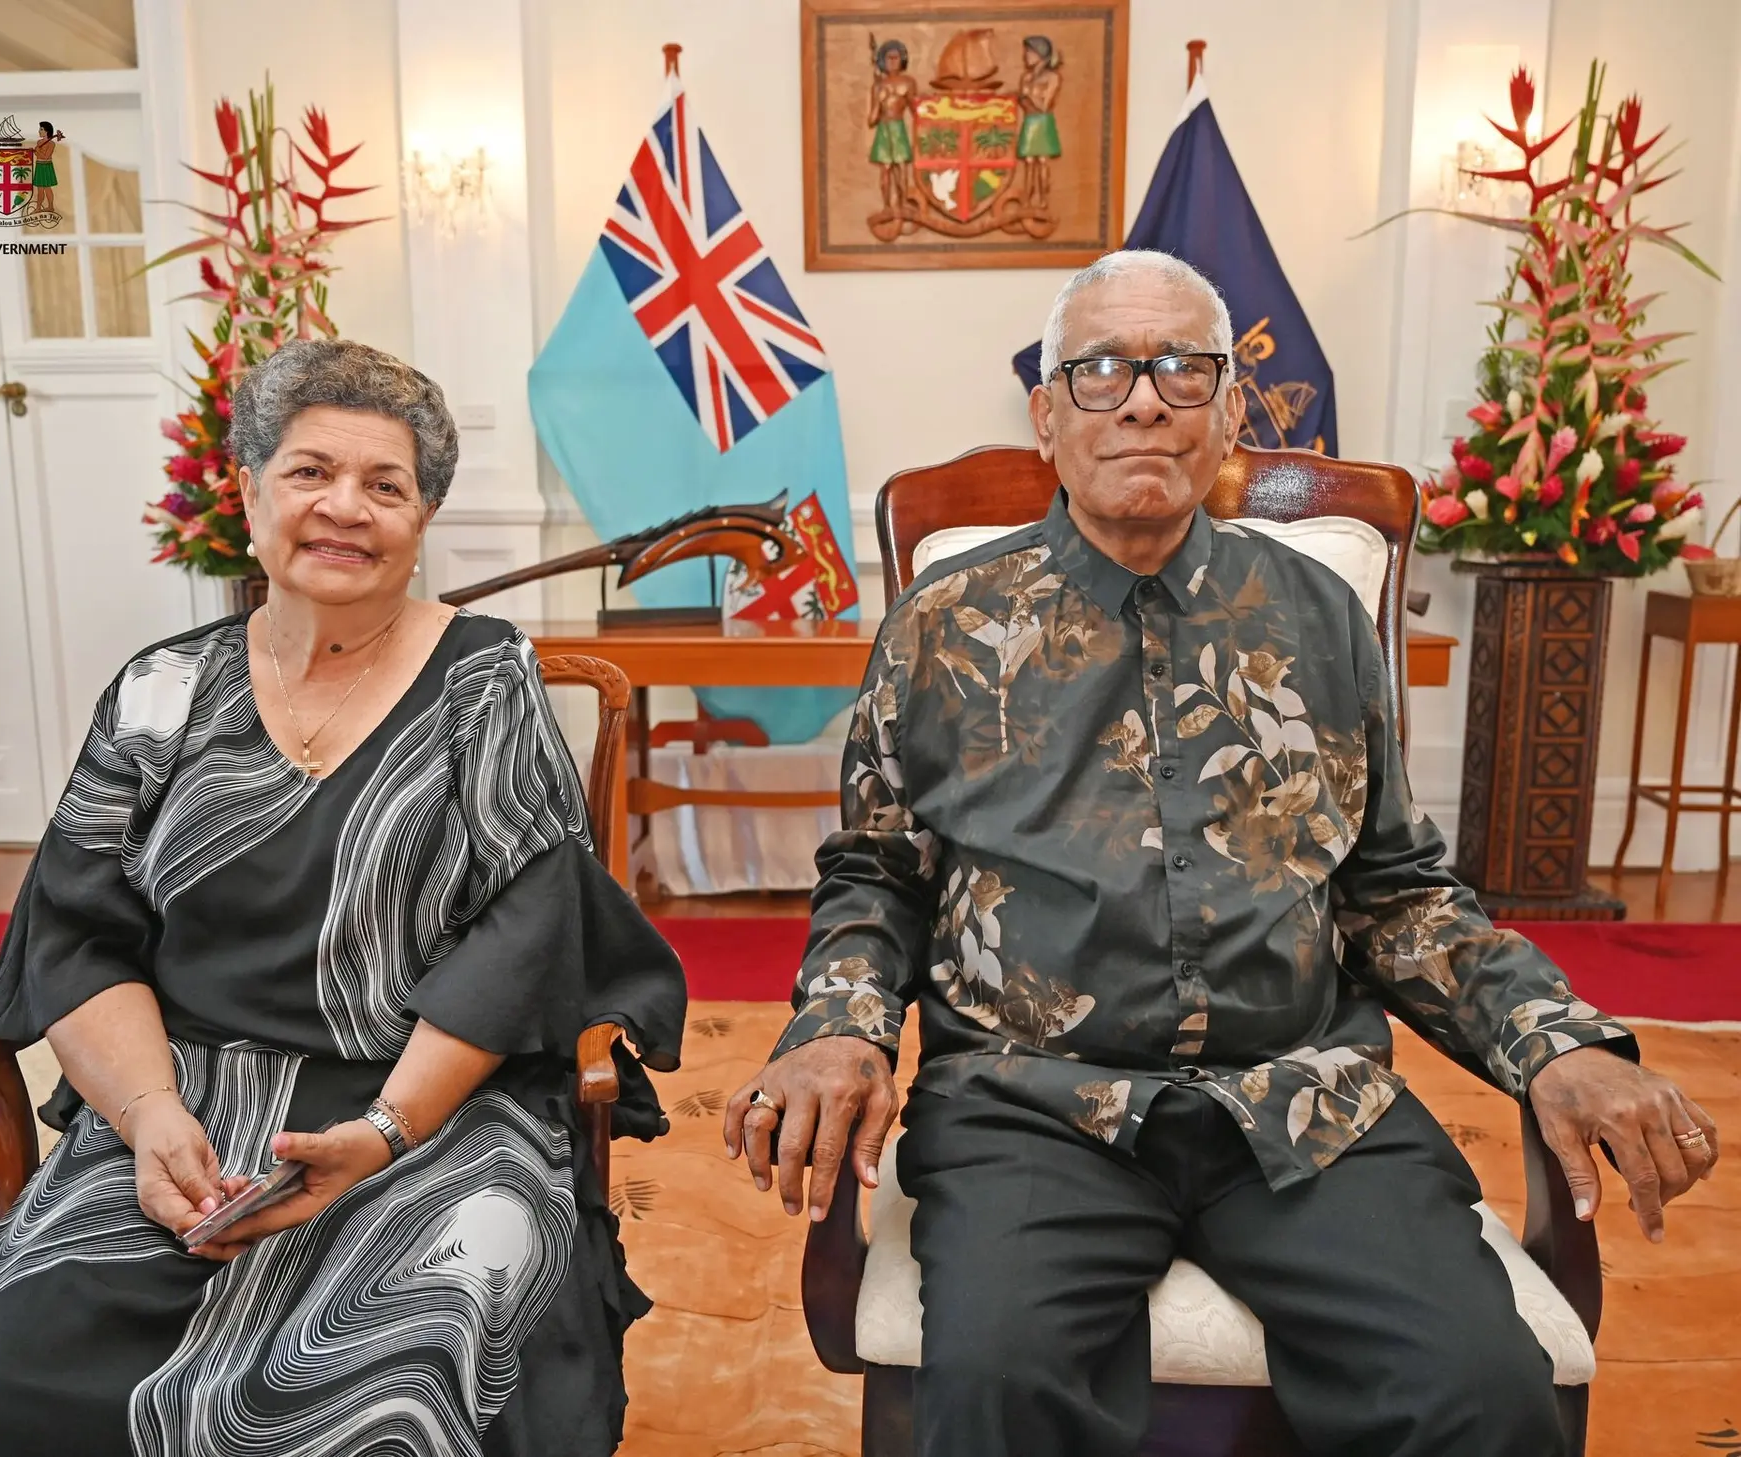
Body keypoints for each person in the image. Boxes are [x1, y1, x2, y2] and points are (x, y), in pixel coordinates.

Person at [724, 251, 1719, 1457]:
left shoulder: (1318, 617)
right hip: (1031, 1104)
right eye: (1099, 369)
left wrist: (1555, 1042)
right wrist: (840, 1023)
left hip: (1303, 1099)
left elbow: (1397, 891)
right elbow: (879, 871)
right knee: (994, 1390)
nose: (1143, 397)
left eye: (1182, 368)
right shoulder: (943, 626)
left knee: (1481, 1388)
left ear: (1230, 409)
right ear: (1048, 416)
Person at [0, 338, 686, 1457]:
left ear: (421, 517)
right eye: (309, 472)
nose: (345, 507)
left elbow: (524, 937)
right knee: (27, 1357)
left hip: (430, 1109)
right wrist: (149, 1121)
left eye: (384, 485)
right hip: (185, 1103)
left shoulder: (487, 682)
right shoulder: (159, 693)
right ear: (249, 495)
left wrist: (385, 1132)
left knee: (405, 1359)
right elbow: (81, 934)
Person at [867, 40, 916, 216]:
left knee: (902, 167)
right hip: (883, 129)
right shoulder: (878, 86)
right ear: (883, 60)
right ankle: (887, 207)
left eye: (896, 57)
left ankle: (903, 203)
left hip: (898, 128)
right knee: (885, 169)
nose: (893, 61)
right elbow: (871, 120)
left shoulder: (908, 83)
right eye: (889, 58)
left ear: (902, 59)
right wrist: (879, 102)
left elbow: (915, 109)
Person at [1016, 35, 1062, 208]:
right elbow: (1024, 103)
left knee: (1042, 160)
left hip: (1042, 122)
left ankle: (1043, 199)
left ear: (1040, 54)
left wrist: (1029, 95)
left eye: (1029, 52)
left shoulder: (1052, 78)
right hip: (1029, 122)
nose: (1025, 56)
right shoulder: (1026, 77)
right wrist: (1028, 97)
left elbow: (1044, 106)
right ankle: (1027, 197)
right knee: (1028, 161)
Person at [30, 121, 64, 218]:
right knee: (40, 189)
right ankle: (38, 207)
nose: (39, 131)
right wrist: (36, 151)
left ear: (47, 131)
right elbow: (39, 154)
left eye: (41, 129)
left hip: (46, 166)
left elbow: (46, 156)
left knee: (47, 188)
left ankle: (50, 207)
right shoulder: (39, 142)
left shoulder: (51, 144)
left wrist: (36, 152)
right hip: (39, 166)